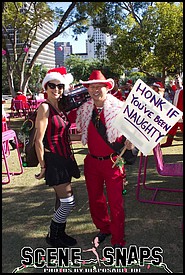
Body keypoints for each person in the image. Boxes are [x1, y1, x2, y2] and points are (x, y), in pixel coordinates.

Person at [76, 70, 134, 248]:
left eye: (99, 87)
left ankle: (118, 239)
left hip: (113, 162)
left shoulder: (119, 108)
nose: (95, 90)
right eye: (92, 87)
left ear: (107, 88)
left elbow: (134, 131)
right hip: (92, 162)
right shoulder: (85, 110)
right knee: (95, 200)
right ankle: (104, 228)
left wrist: (131, 141)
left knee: (116, 203)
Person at [34, 66, 77, 248]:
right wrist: (44, 166)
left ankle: (60, 233)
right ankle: (53, 235)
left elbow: (63, 134)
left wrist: (85, 137)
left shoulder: (59, 107)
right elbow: (38, 140)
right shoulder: (44, 108)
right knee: (68, 201)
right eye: (52, 85)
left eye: (60, 86)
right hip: (54, 160)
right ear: (46, 87)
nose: (56, 89)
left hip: (65, 158)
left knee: (61, 201)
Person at [161, 75, 183, 147]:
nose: (177, 83)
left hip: (181, 115)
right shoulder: (177, 90)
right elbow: (175, 88)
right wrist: (172, 84)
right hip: (175, 114)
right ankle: (169, 142)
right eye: (176, 82)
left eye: (178, 81)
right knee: (172, 129)